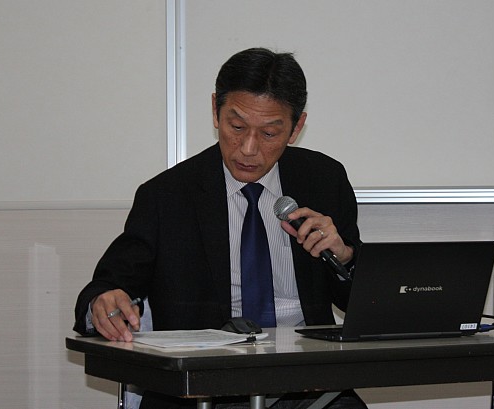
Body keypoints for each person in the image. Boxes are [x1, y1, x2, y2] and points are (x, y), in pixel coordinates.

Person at [74, 47, 367, 409]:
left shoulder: (324, 181)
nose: (248, 149)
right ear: (215, 110)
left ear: (296, 127)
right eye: (237, 127)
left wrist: (345, 258)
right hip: (202, 388)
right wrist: (102, 303)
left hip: (309, 388)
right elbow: (105, 288)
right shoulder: (166, 196)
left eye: (269, 133)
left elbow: (361, 305)